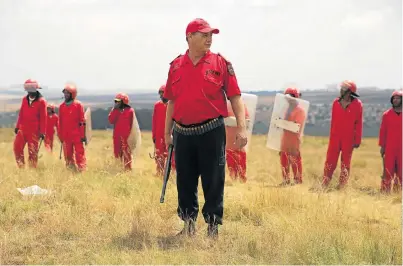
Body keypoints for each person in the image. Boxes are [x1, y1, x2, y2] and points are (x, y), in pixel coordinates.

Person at [163, 18, 248, 238]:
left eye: (211, 35)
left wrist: (242, 127)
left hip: (211, 132)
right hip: (183, 133)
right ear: (190, 37)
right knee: (185, 180)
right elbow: (171, 101)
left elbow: (235, 97)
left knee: (213, 180)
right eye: (204, 35)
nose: (209, 39)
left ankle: (212, 228)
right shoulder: (176, 66)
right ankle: (188, 225)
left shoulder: (220, 63)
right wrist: (167, 132)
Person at [322, 80, 363, 189]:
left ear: (350, 92)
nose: (341, 90)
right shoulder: (335, 103)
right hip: (335, 137)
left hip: (349, 138)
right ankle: (325, 182)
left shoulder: (358, 105)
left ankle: (342, 185)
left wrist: (357, 140)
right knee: (330, 160)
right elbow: (333, 122)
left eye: (344, 89)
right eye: (341, 88)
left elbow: (358, 123)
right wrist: (331, 137)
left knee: (345, 163)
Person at [13, 79, 47, 168]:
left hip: (34, 131)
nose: (29, 91)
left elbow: (43, 118)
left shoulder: (42, 101)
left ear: (35, 88)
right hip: (22, 129)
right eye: (28, 89)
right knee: (17, 148)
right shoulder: (24, 99)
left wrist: (43, 132)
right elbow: (21, 114)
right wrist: (17, 126)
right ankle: (21, 167)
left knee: (32, 152)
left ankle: (32, 170)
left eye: (31, 88)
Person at [278, 87, 306, 186]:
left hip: (294, 140)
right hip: (285, 139)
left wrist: (281, 123)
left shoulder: (300, 111)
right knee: (284, 161)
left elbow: (295, 126)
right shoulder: (287, 110)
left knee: (295, 161)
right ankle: (286, 181)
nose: (288, 100)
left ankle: (298, 181)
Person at [58, 83, 87, 172]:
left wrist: (82, 136)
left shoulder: (78, 105)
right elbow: (60, 122)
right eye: (65, 93)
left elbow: (82, 121)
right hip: (66, 135)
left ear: (72, 94)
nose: (65, 95)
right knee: (68, 155)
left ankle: (82, 171)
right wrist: (60, 136)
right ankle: (71, 171)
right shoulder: (61, 107)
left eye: (67, 93)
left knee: (79, 154)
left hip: (77, 135)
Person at [378, 90, 402, 193]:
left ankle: (399, 194)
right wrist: (382, 147)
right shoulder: (386, 115)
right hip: (390, 148)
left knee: (401, 172)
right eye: (394, 98)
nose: (395, 100)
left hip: (402, 149)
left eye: (398, 98)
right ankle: (385, 192)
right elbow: (383, 132)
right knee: (388, 171)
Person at [152, 84, 176, 176]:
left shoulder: (174, 105)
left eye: (163, 93)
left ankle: (173, 175)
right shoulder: (157, 106)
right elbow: (154, 121)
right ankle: (160, 175)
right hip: (159, 135)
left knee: (173, 157)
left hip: (171, 135)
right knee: (159, 157)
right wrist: (154, 136)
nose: (161, 95)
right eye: (160, 93)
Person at [108, 93, 135, 171]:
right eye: (115, 101)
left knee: (127, 154)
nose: (116, 103)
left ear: (124, 101)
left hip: (127, 137)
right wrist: (114, 110)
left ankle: (128, 170)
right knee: (117, 154)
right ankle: (118, 169)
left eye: (118, 101)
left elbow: (133, 124)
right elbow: (111, 120)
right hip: (117, 137)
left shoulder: (130, 111)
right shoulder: (115, 111)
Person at [225, 101, 250, 182]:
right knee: (231, 162)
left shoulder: (242, 105)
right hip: (229, 140)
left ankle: (242, 179)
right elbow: (222, 120)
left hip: (239, 139)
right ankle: (233, 180)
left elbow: (247, 121)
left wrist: (232, 121)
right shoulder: (225, 106)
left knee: (241, 161)